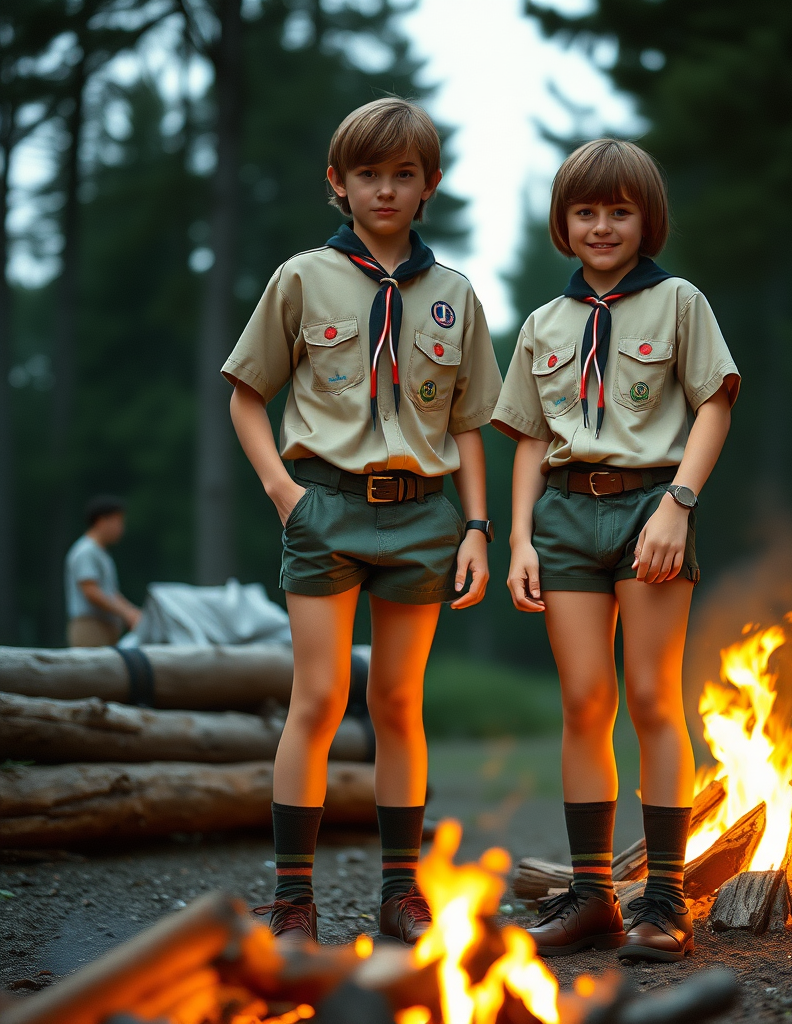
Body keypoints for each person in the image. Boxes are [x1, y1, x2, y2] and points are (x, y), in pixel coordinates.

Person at [223, 97, 502, 946]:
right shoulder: (303, 278)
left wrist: (479, 529)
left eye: (404, 175)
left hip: (423, 517)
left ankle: (399, 895)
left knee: (398, 701)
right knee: (318, 696)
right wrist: (284, 493)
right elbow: (245, 394)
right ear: (338, 185)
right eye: (369, 174)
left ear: (430, 187)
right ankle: (294, 900)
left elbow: (467, 422)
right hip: (323, 506)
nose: (386, 189)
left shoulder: (454, 295)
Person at [491, 139, 740, 963]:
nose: (602, 226)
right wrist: (519, 537)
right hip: (563, 515)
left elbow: (713, 406)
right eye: (586, 211)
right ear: (564, 221)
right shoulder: (542, 324)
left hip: (649, 509)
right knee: (585, 702)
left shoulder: (679, 303)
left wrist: (678, 503)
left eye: (619, 211)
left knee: (651, 695)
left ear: (646, 220)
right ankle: (594, 896)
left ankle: (666, 898)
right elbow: (527, 439)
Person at [65, 495, 142, 647]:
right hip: (91, 626)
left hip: (105, 627)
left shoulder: (101, 553)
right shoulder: (86, 551)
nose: (121, 528)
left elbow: (110, 592)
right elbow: (91, 591)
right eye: (118, 522)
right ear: (101, 521)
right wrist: (125, 613)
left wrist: (132, 612)